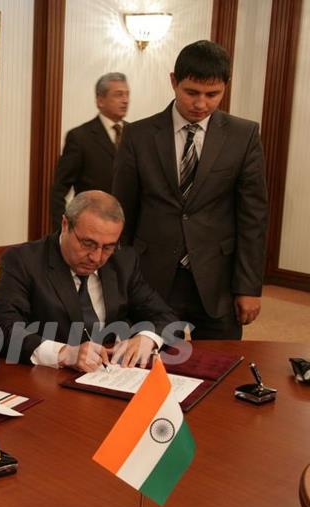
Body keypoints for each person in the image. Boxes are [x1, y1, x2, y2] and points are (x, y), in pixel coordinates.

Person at [112, 40, 267, 339]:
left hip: (216, 276)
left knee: (221, 369)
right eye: (191, 92)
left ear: (226, 86)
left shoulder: (244, 135)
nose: (201, 104)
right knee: (148, 365)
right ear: (173, 81)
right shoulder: (138, 135)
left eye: (213, 94)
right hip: (151, 274)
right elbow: (123, 214)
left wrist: (248, 287)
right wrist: (119, 279)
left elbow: (253, 218)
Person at [0, 191, 176, 372]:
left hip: (112, 376)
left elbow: (165, 317)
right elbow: (2, 326)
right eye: (88, 244)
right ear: (65, 225)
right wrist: (63, 353)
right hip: (49, 379)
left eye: (108, 247)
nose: (96, 257)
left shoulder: (123, 261)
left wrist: (147, 338)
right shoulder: (24, 261)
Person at [49, 72, 130, 229]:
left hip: (128, 228)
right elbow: (59, 189)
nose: (125, 100)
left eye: (127, 94)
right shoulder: (80, 137)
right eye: (118, 95)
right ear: (100, 100)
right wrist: (63, 229)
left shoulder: (135, 133)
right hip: (92, 226)